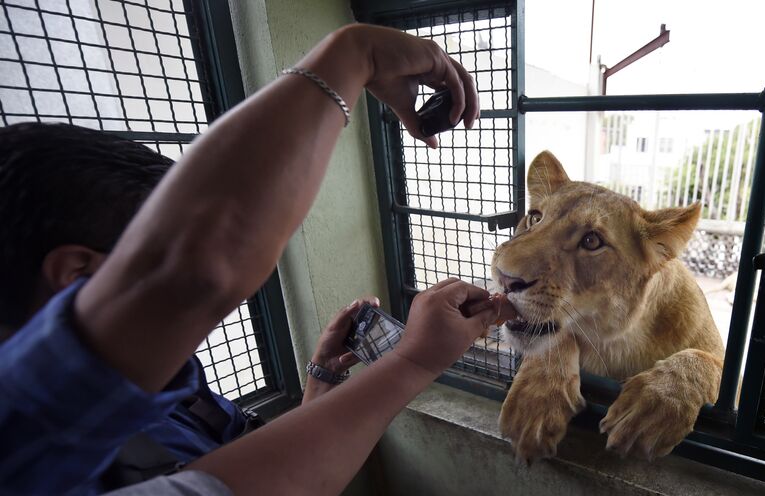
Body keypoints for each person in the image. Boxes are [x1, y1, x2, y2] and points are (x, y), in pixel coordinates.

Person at [0, 22, 509, 495]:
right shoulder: (33, 450)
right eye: (149, 253)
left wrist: (321, 381)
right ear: (77, 277)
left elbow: (252, 470)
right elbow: (207, 265)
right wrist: (354, 56)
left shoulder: (157, 388)